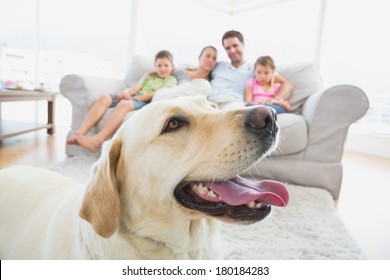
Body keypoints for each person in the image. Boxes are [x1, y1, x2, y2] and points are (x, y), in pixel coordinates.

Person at [67, 50, 177, 153]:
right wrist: (126, 93)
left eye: (166, 65)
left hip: (143, 100)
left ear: (172, 67)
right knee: (104, 98)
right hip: (134, 95)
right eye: (159, 65)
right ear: (155, 67)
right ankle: (80, 134)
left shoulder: (171, 80)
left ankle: (97, 141)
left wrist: (137, 98)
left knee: (124, 104)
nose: (162, 68)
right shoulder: (149, 76)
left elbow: (155, 94)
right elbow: (136, 88)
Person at [209, 30, 293, 110]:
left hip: (232, 104)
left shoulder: (256, 69)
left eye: (235, 45)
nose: (232, 50)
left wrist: (274, 100)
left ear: (243, 44)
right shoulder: (218, 65)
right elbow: (200, 72)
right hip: (210, 102)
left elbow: (287, 85)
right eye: (228, 48)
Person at [152, 46, 217, 101]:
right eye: (207, 56)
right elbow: (164, 69)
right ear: (200, 57)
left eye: (214, 58)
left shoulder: (207, 85)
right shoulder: (181, 69)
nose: (210, 60)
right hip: (164, 96)